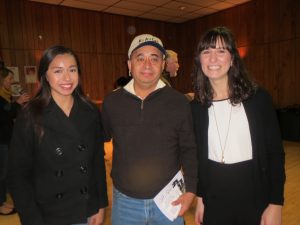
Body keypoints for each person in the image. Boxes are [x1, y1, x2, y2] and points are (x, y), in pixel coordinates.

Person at [191, 26, 285, 225]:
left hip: (255, 198)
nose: (213, 59)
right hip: (214, 200)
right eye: (206, 52)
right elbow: (199, 160)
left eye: (221, 51)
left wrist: (276, 203)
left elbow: (275, 153)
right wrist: (200, 198)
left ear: (232, 58)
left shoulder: (258, 100)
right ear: (200, 60)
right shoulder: (197, 108)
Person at [102, 34, 197, 225]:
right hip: (125, 203)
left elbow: (189, 149)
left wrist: (191, 190)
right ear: (129, 65)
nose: (147, 64)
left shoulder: (178, 102)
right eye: (140, 58)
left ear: (162, 65)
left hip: (169, 200)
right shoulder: (112, 102)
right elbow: (96, 144)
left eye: (154, 58)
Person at [7, 45, 108, 225]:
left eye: (72, 70)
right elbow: (18, 175)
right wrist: (32, 219)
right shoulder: (30, 114)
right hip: (47, 214)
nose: (67, 78)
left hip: (84, 210)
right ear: (45, 75)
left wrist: (100, 205)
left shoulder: (90, 111)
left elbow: (97, 162)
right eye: (58, 71)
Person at [0, 66, 29, 215]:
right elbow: (3, 116)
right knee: (2, 172)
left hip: (6, 138)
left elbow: (10, 113)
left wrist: (19, 104)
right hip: (1, 140)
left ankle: (3, 200)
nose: (11, 82)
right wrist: (17, 104)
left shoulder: (6, 95)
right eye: (9, 79)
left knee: (5, 171)